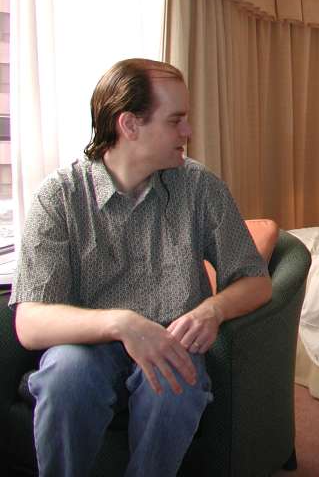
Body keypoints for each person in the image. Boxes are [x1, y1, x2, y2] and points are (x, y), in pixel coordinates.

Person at [10, 58, 277, 477]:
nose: (188, 132)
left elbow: (256, 281)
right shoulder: (59, 197)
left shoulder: (200, 187)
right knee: (67, 378)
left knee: (177, 384)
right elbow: (29, 322)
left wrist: (213, 309)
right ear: (129, 125)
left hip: (170, 343)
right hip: (84, 346)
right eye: (176, 120)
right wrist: (121, 324)